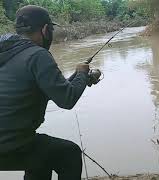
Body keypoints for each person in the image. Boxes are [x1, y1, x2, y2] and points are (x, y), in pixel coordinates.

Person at [0, 5, 100, 180]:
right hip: (10, 147)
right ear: (46, 30)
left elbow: (54, 90)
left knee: (43, 156)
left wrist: (79, 78)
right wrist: (83, 73)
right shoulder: (37, 55)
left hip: (10, 144)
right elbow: (67, 99)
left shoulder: (6, 51)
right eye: (51, 29)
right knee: (69, 154)